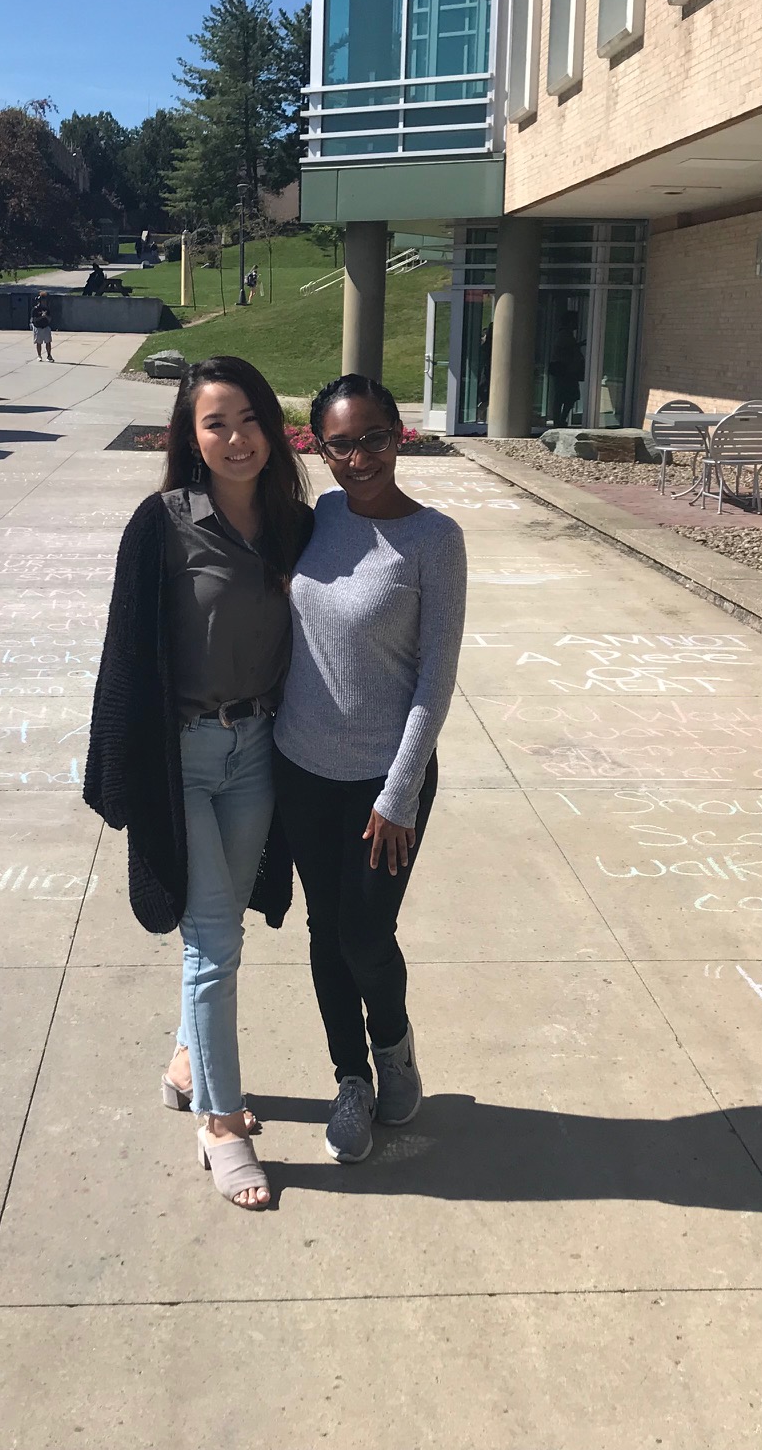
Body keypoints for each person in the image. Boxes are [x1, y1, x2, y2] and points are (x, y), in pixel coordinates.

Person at [83, 355, 313, 1211]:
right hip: (177, 754)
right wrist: (119, 772)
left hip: (257, 748)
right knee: (209, 937)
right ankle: (221, 1124)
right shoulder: (161, 525)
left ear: (271, 427)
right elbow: (123, 656)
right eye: (215, 423)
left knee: (225, 931)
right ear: (191, 436)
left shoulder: (296, 524)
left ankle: (187, 1056)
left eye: (249, 417)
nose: (235, 437)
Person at [273, 373, 465, 1165]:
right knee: (326, 932)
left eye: (375, 438)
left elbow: (435, 678)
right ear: (319, 446)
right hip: (301, 770)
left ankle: (392, 1048)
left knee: (366, 932)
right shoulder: (321, 517)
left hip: (387, 782)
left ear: (400, 435)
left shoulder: (434, 539)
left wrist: (400, 791)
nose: (360, 458)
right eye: (341, 443)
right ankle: (350, 1080)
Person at [30, 295, 54, 362]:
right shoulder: (35, 309)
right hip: (38, 328)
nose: (44, 302)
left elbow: (50, 319)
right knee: (39, 342)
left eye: (45, 301)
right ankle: (39, 356)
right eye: (43, 301)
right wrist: (41, 317)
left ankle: (49, 355)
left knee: (48, 342)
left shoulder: (47, 309)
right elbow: (34, 320)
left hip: (46, 327)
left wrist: (46, 316)